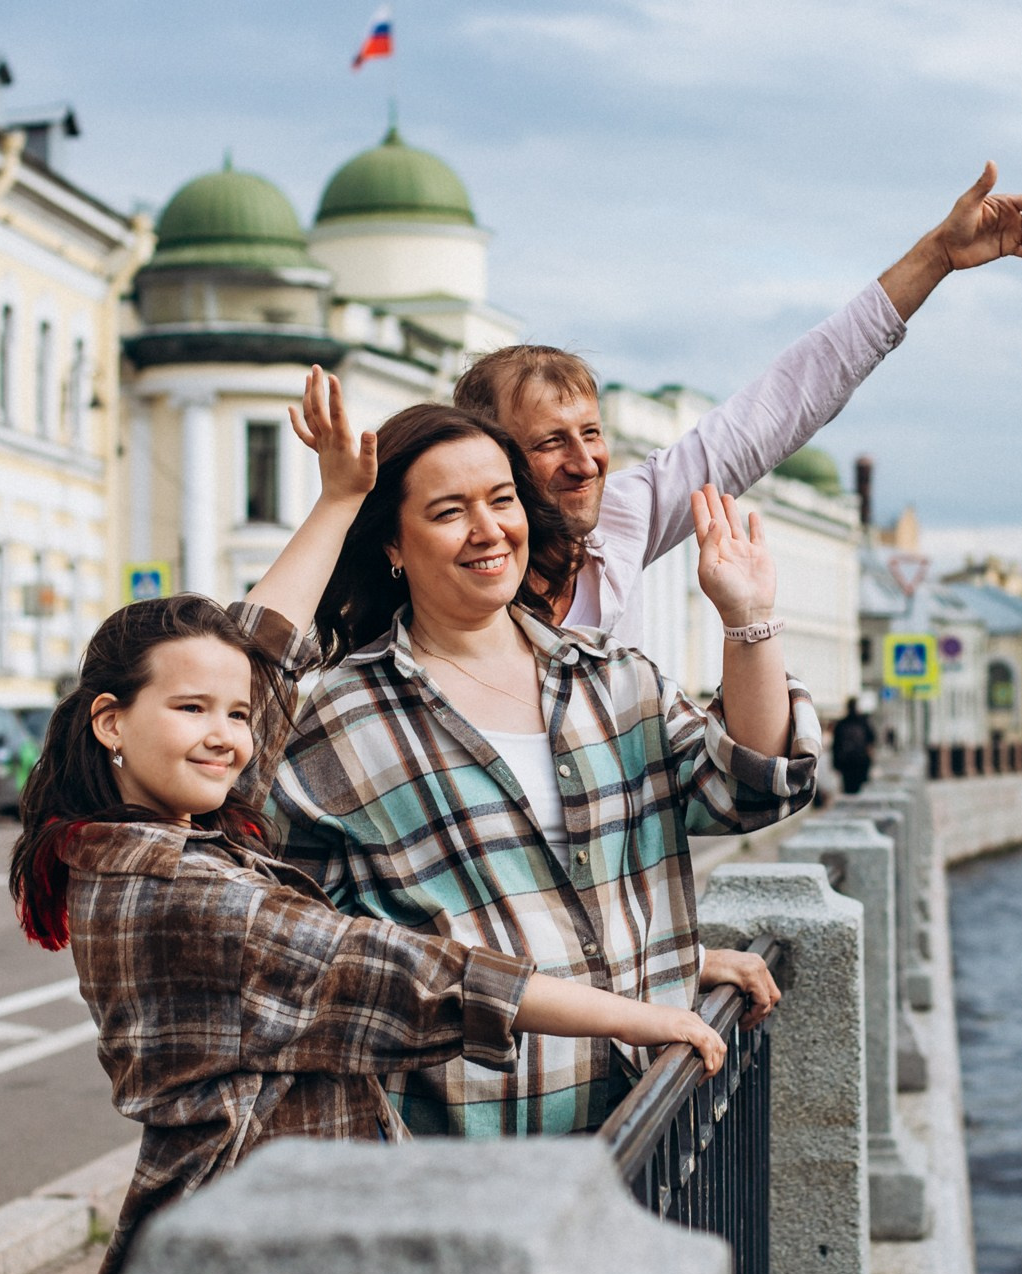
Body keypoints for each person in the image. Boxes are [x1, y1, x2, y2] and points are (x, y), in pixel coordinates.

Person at [7, 369, 726, 1274]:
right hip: (251, 1270)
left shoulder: (173, 843)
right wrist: (643, 1014)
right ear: (112, 721)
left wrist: (340, 498)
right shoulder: (175, 888)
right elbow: (408, 973)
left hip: (290, 1238)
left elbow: (261, 660)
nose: (227, 734)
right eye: (190, 709)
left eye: (236, 714)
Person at [264, 401, 811, 1137]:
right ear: (393, 543)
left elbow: (747, 790)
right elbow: (301, 952)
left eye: (502, 500)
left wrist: (748, 622)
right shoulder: (340, 721)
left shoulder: (613, 680)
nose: (488, 529)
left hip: (654, 1133)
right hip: (477, 1153)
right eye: (449, 511)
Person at [453, 164, 1022, 650]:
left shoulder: (623, 519)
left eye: (591, 433)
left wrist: (935, 257)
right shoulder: (441, 576)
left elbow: (781, 404)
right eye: (550, 441)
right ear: (488, 458)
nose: (586, 461)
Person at [831, 697, 876, 795]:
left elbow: (835, 746)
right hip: (861, 762)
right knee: (861, 791)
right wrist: (870, 761)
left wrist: (835, 764)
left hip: (846, 763)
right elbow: (871, 742)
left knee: (848, 789)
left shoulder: (841, 724)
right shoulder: (863, 723)